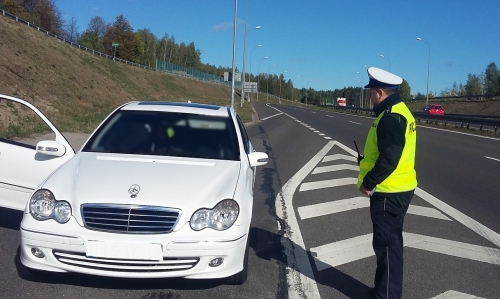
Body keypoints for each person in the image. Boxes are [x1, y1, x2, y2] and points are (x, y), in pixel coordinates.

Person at [356, 67, 417, 299]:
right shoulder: (399, 111)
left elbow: (390, 156)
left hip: (389, 192)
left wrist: (368, 183)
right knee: (387, 246)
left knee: (388, 248)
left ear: (380, 92)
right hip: (399, 188)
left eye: (372, 92)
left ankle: (387, 296)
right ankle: (383, 290)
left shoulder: (391, 117)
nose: (371, 97)